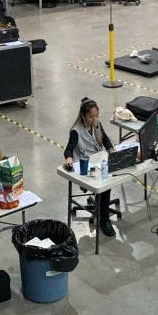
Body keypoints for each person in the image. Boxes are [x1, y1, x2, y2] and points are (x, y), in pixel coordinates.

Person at [62, 97, 119, 237]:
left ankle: (102, 210)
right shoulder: (76, 131)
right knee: (105, 181)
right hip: (86, 167)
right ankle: (104, 219)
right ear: (83, 116)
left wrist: (111, 149)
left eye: (96, 116)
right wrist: (68, 158)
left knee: (109, 176)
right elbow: (69, 149)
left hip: (99, 161)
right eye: (90, 117)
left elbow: (105, 139)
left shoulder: (97, 124)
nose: (94, 119)